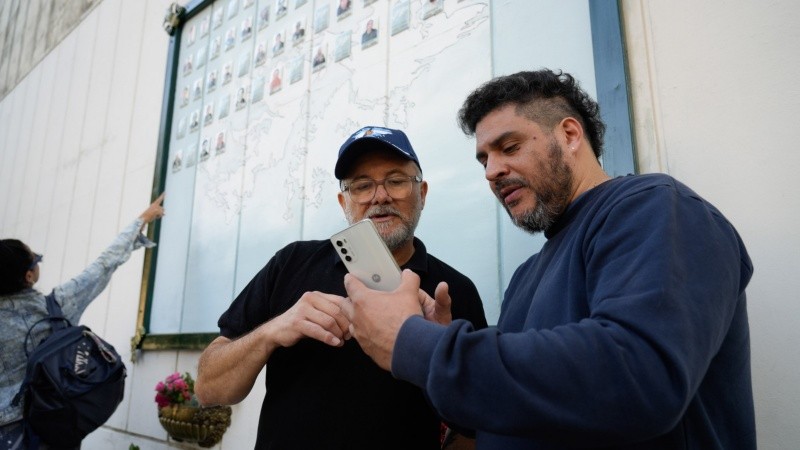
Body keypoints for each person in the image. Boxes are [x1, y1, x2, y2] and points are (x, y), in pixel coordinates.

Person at [340, 69, 755, 450]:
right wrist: (439, 347)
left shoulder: (654, 208)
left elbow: (639, 377)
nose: (492, 171)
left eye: (509, 147)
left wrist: (417, 344)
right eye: (484, 159)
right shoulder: (525, 276)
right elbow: (513, 414)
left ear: (570, 134)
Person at [195, 126, 488, 450]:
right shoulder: (291, 263)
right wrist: (272, 331)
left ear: (422, 193)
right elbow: (209, 389)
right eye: (362, 185)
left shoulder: (454, 291)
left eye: (396, 180)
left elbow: (475, 425)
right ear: (343, 201)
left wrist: (433, 350)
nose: (380, 196)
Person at [0, 195, 165, 450]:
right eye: (36, 259)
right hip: (51, 430)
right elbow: (103, 265)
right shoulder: (56, 306)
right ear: (29, 275)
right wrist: (142, 220)